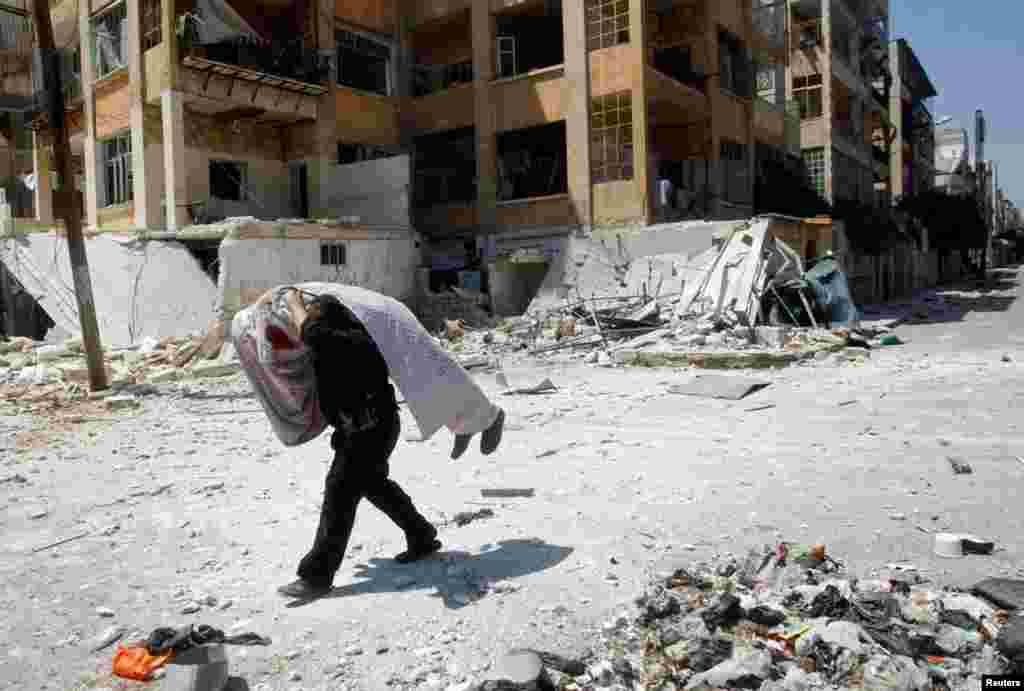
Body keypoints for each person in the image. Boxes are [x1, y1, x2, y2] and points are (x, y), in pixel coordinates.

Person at [275, 289, 446, 599]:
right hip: (365, 427)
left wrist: (293, 304)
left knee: (339, 494)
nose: (307, 317)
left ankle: (316, 576)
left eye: (313, 311)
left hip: (369, 429)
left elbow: (313, 334)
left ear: (327, 316)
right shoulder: (342, 337)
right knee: (374, 485)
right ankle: (421, 535)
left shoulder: (349, 339)